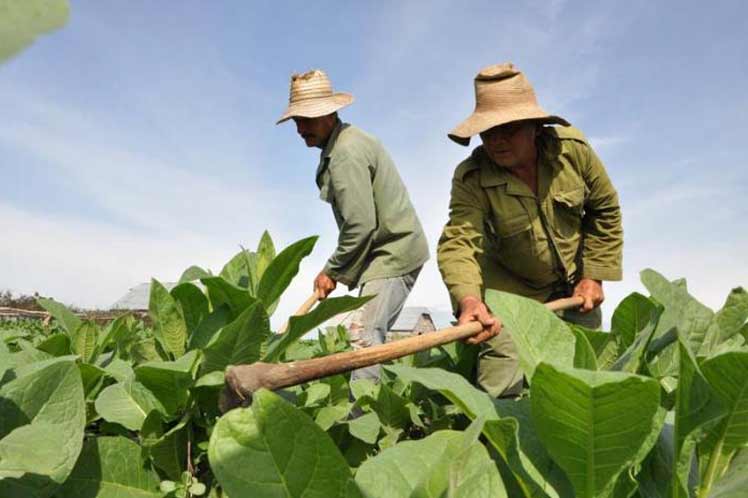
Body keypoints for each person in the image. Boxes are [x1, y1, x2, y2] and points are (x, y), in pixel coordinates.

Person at [437, 63, 623, 397]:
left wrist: (594, 276)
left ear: (535, 127)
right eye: (488, 130)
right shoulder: (472, 176)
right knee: (500, 389)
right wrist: (468, 300)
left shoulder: (573, 153)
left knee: (584, 390)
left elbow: (604, 212)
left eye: (508, 128)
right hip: (511, 292)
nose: (497, 139)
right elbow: (459, 242)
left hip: (574, 288)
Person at [277, 69, 429, 381]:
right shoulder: (344, 144)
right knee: (362, 334)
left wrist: (332, 270)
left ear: (329, 113)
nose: (300, 128)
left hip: (393, 252)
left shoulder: (345, 152)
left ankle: (361, 424)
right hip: (384, 252)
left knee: (362, 335)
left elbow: (360, 225)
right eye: (297, 120)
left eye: (306, 119)